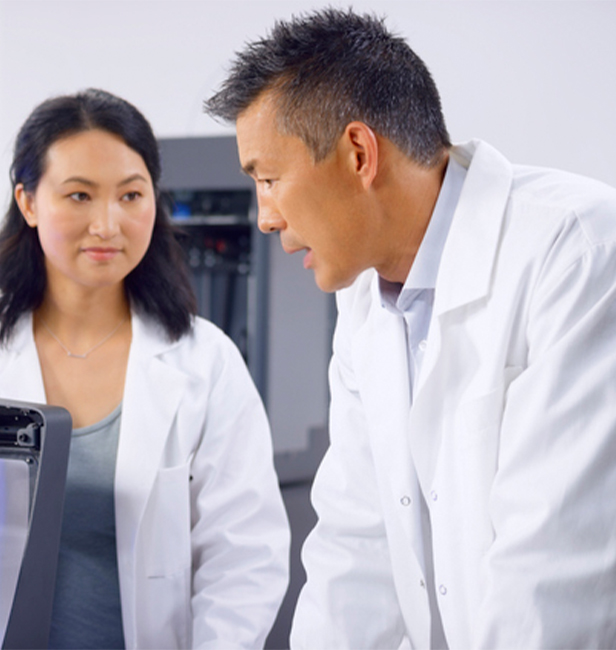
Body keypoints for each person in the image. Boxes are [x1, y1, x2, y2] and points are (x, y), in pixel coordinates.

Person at [205, 8, 616, 649]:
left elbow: (552, 584)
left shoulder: (576, 251)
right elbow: (355, 548)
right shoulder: (367, 302)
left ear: (359, 154)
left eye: (268, 178)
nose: (264, 217)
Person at [0, 88, 289, 649]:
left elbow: (244, 559)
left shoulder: (206, 362)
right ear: (29, 202)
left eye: (131, 195)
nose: (108, 224)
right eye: (79, 195)